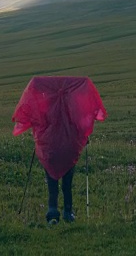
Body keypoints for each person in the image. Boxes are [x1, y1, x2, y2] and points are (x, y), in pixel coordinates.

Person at [12, 76, 107, 225]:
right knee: (67, 182)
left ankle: (52, 213)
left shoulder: (46, 107)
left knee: (52, 181)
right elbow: (80, 125)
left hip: (49, 148)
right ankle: (68, 212)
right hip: (69, 148)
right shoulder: (72, 109)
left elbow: (38, 121)